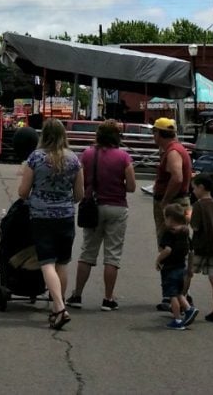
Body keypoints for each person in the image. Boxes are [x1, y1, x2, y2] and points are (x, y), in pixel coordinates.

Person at [18, 118, 84, 331]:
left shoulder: (36, 158)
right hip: (65, 215)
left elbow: (23, 191)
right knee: (62, 263)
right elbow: (80, 194)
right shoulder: (74, 159)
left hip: (41, 215)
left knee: (46, 262)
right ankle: (58, 303)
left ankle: (60, 307)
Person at [66, 120, 137, 311]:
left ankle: (77, 295)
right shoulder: (124, 157)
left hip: (92, 206)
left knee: (88, 252)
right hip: (117, 207)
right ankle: (108, 299)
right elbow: (131, 187)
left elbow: (77, 180)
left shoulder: (87, 154)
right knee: (112, 255)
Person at [188, 175, 213, 323]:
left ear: (201, 187)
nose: (193, 191)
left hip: (200, 246)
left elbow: (195, 226)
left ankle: (182, 304)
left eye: (194, 188)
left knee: (188, 273)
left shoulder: (198, 205)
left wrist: (188, 217)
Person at [156, 204, 198, 330]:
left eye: (165, 218)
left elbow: (167, 250)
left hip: (170, 269)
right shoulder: (185, 233)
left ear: (170, 219)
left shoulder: (169, 234)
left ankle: (178, 319)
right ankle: (189, 309)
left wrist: (158, 259)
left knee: (172, 296)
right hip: (182, 268)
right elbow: (191, 252)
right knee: (179, 293)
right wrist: (190, 269)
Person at [151, 117, 192, 236]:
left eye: (154, 132)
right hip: (178, 201)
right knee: (176, 239)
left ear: (158, 133)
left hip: (174, 203)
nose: (153, 136)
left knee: (168, 241)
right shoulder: (173, 148)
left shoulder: (173, 152)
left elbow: (177, 178)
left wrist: (165, 201)